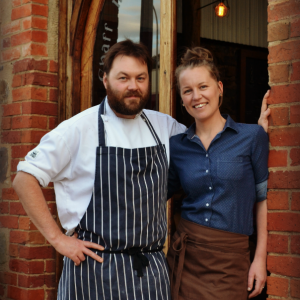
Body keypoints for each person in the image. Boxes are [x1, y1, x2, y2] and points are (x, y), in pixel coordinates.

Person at [13, 40, 269, 300]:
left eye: (141, 78)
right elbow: (24, 178)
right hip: (95, 274)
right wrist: (59, 240)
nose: (133, 86)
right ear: (105, 79)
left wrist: (253, 135)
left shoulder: (164, 127)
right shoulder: (78, 129)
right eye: (123, 77)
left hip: (151, 274)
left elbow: (210, 144)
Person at [167, 47, 269, 300]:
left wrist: (260, 258)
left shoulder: (252, 137)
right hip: (186, 256)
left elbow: (263, 199)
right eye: (187, 90)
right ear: (181, 98)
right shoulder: (176, 146)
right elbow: (154, 195)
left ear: (219, 88)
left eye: (203, 86)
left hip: (231, 261)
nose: (196, 96)